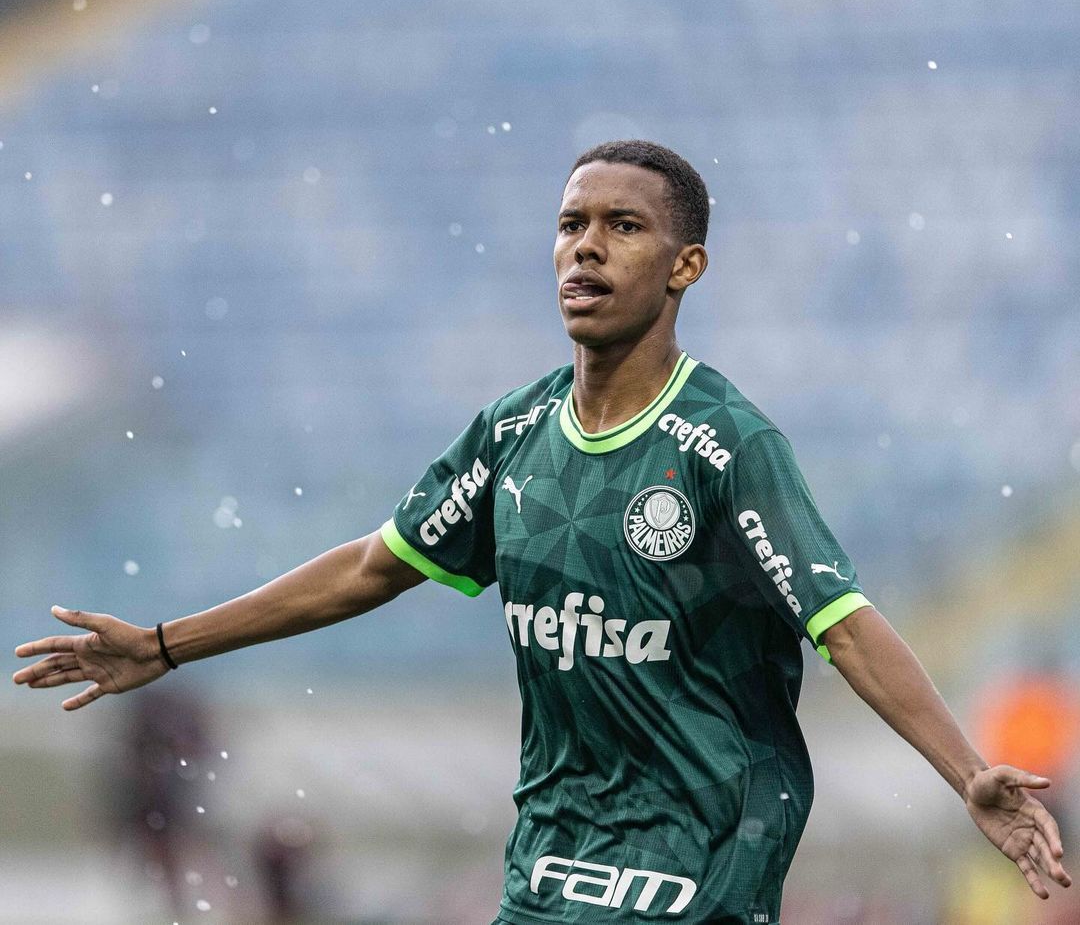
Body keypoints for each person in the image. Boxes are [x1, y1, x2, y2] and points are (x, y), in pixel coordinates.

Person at [12, 140, 1070, 924]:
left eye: (624, 226)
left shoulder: (723, 443)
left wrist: (965, 767)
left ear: (686, 266)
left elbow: (842, 621)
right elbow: (373, 568)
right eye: (571, 224)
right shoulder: (513, 433)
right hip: (552, 853)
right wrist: (162, 643)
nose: (588, 247)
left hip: (701, 851)